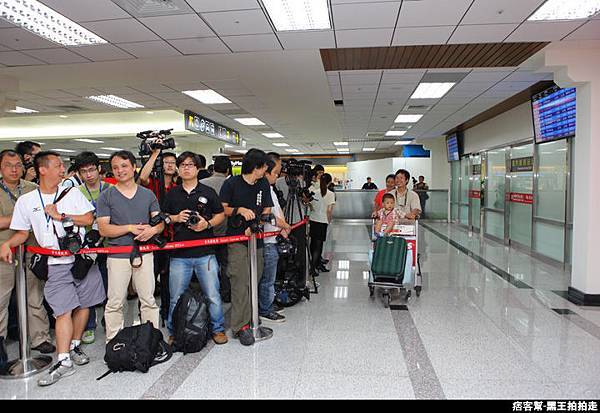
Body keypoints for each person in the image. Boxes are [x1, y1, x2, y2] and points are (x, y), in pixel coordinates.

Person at [0, 151, 105, 387]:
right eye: (58, 165)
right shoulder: (27, 201)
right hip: (54, 264)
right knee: (62, 310)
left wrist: (62, 215)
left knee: (84, 303)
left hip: (81, 259)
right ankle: (64, 358)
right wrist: (7, 243)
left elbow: (89, 219)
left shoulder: (72, 193)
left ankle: (75, 345)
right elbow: (22, 233)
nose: (62, 169)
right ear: (42, 170)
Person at [97, 151, 163, 342]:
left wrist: (153, 230)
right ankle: (114, 342)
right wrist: (129, 228)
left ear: (134, 167)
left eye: (124, 166)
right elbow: (103, 229)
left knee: (148, 300)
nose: (120, 171)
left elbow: (160, 222)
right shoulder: (106, 196)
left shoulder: (147, 194)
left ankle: (152, 340)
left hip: (144, 253)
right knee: (115, 302)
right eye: (115, 167)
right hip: (117, 255)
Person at [163, 152, 227, 345]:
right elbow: (162, 215)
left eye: (190, 165)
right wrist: (175, 218)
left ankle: (218, 329)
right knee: (175, 296)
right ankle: (174, 331)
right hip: (179, 254)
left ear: (198, 168)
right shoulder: (172, 193)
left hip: (205, 253)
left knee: (213, 294)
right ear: (178, 169)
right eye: (182, 165)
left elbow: (221, 215)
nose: (186, 168)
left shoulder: (208, 192)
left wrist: (206, 224)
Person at [0, 150, 54, 355]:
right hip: (4, 251)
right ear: (1, 168)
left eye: (17, 165)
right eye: (8, 165)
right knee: (1, 300)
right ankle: (1, 344)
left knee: (35, 295)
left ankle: (40, 338)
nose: (14, 169)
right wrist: (22, 216)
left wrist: (13, 220)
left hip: (32, 249)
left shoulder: (33, 189)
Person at [219, 148, 273, 346]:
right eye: (264, 167)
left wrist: (260, 218)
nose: (265, 171)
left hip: (256, 239)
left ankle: (252, 316)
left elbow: (267, 207)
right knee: (240, 281)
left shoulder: (263, 184)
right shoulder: (231, 183)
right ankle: (240, 326)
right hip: (236, 240)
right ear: (255, 167)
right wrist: (239, 210)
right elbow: (221, 208)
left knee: (254, 278)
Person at [75, 152, 111, 345]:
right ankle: (89, 326)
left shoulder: (111, 189)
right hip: (86, 247)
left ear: (99, 169)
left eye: (91, 170)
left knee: (109, 285)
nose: (88, 174)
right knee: (86, 288)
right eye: (83, 171)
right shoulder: (76, 192)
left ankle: (109, 319)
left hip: (108, 246)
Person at [137, 149, 177, 325]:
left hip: (172, 238)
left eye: (172, 162)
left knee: (170, 282)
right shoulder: (152, 184)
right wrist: (155, 155)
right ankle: (146, 319)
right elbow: (142, 178)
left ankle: (168, 315)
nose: (169, 165)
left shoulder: (177, 187)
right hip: (151, 238)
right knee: (148, 282)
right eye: (166, 162)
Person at [259, 153, 290, 323]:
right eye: (276, 173)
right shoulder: (263, 190)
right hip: (267, 241)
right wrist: (285, 226)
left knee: (269, 278)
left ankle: (267, 303)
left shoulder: (270, 189)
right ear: (266, 171)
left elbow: (277, 210)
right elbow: (268, 214)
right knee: (267, 279)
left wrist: (283, 227)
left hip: (274, 238)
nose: (277, 176)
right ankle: (265, 309)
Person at [200, 155, 232, 303]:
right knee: (225, 263)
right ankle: (226, 293)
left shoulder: (201, 183)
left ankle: (208, 293)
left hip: (205, 231)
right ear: (227, 169)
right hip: (225, 231)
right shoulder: (230, 183)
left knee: (206, 265)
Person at [308, 173, 335, 276]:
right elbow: (329, 211)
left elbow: (310, 206)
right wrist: (329, 221)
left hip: (313, 219)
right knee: (319, 246)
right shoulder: (330, 194)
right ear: (329, 182)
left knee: (313, 243)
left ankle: (315, 264)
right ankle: (313, 268)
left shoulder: (314, 192)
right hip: (323, 221)